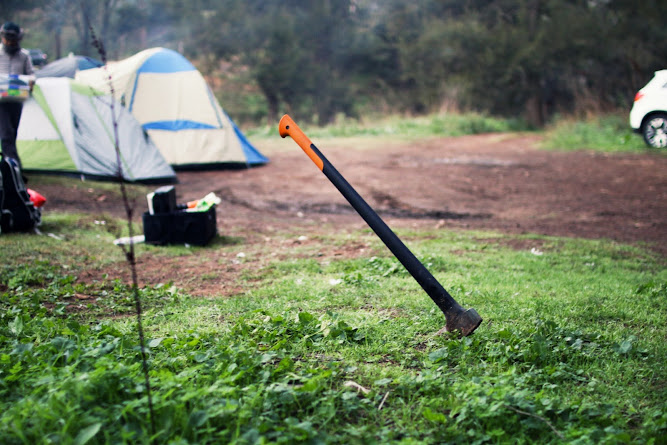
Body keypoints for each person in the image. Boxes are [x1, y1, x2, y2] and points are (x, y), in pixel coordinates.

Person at [0, 21, 34, 172]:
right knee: (6, 133)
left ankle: (7, 165)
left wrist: (31, 82)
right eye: (6, 38)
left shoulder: (24, 56)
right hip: (1, 101)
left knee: (12, 132)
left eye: (12, 39)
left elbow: (31, 74)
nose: (9, 42)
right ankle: (15, 168)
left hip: (17, 100)